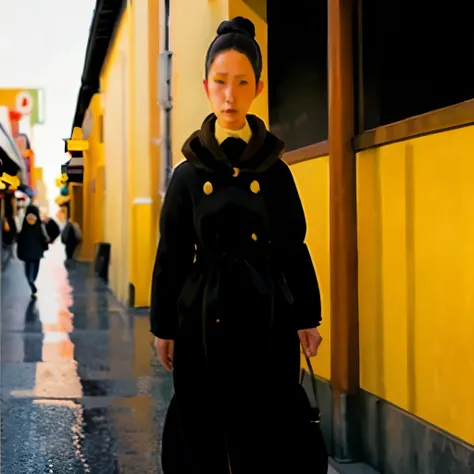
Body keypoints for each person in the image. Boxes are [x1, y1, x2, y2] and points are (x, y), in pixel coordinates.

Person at [150, 16, 323, 473]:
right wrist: (163, 325)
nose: (230, 95)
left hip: (267, 313)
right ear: (206, 86)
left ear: (258, 88)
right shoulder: (187, 175)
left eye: (242, 82)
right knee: (202, 424)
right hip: (201, 317)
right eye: (221, 82)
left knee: (266, 425)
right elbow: (170, 254)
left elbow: (293, 246)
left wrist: (307, 316)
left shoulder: (275, 170)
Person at [16, 204, 50, 297]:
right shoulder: (39, 224)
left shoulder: (24, 222)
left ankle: (31, 283)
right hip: (37, 251)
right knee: (35, 269)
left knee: (28, 269)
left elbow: (19, 236)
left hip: (26, 251)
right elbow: (45, 237)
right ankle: (33, 281)